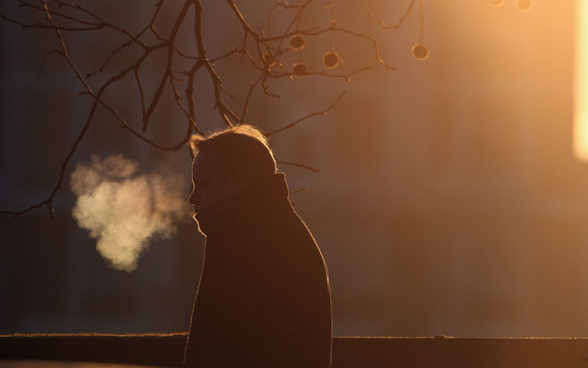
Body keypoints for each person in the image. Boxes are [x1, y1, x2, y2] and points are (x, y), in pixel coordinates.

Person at [182, 125, 333, 368]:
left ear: (239, 183)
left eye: (204, 185)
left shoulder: (260, 244)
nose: (193, 198)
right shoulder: (250, 234)